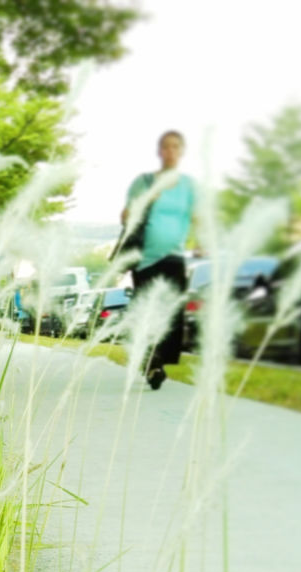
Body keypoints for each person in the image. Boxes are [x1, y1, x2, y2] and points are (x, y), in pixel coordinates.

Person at [121, 130, 197, 390]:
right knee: (147, 312)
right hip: (145, 259)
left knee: (171, 313)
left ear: (182, 151)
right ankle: (151, 361)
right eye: (166, 147)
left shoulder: (188, 186)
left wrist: (202, 242)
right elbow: (126, 217)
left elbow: (196, 217)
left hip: (175, 256)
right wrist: (145, 200)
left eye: (176, 147)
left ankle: (158, 361)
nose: (170, 151)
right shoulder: (143, 182)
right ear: (159, 151)